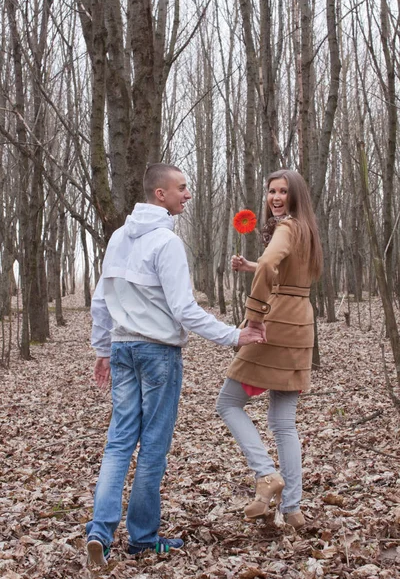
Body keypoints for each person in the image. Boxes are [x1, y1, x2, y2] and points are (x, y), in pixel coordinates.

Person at [86, 162, 266, 566]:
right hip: (157, 354)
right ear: (160, 194)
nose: (187, 194)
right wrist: (235, 335)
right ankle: (143, 539)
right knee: (152, 448)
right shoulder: (166, 244)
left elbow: (100, 301)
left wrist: (102, 348)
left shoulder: (118, 238)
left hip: (122, 348)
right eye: (181, 187)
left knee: (118, 443)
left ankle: (100, 532)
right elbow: (184, 309)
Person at [216, 169, 323, 530]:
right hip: (300, 325)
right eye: (271, 191)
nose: (275, 197)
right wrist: (251, 266)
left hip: (274, 325)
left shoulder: (287, 228)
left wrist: (254, 317)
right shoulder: (306, 228)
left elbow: (269, 263)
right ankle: (292, 509)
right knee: (283, 423)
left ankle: (266, 474)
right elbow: (285, 274)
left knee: (228, 403)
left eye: (283, 191)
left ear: (295, 197)